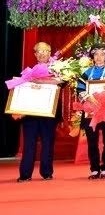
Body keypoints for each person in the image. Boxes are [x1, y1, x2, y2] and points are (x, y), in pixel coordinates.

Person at [15, 42, 61, 182]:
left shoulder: (59, 69)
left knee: (48, 143)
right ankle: (25, 174)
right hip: (30, 113)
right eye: (38, 51)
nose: (41, 53)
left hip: (49, 112)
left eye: (44, 50)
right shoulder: (28, 72)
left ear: (49, 52)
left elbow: (61, 82)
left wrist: (41, 81)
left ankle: (46, 173)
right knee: (29, 143)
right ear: (35, 54)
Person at [77, 44, 105, 179]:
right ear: (92, 57)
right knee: (92, 141)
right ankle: (94, 168)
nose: (99, 57)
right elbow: (80, 89)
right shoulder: (87, 73)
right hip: (91, 111)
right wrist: (88, 97)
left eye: (102, 54)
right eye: (96, 54)